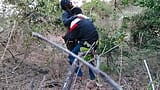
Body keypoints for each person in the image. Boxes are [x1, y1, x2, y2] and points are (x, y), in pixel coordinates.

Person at [60, 0, 99, 80]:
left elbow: (72, 37)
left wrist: (67, 37)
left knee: (71, 56)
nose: (71, 3)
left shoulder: (74, 21)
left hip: (85, 42)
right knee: (89, 58)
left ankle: (79, 75)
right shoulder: (87, 19)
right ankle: (93, 78)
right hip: (95, 42)